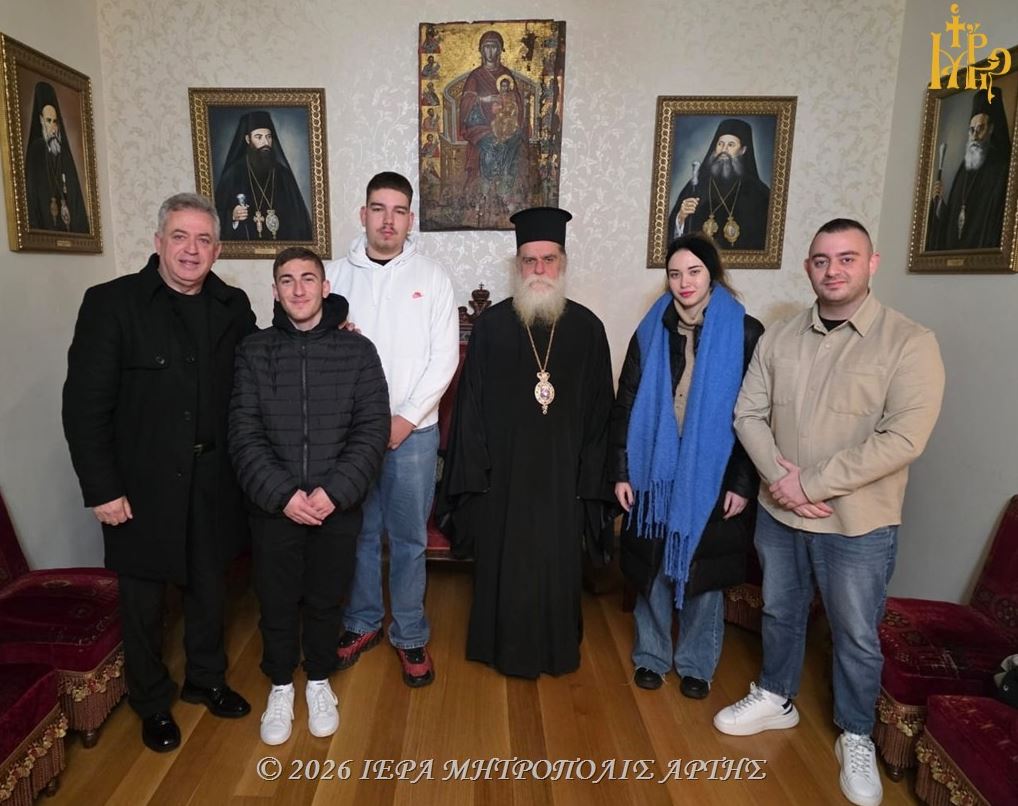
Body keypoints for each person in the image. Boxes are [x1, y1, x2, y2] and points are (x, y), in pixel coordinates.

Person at [713, 219, 945, 806]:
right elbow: (748, 414)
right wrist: (782, 482)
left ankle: (856, 733)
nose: (832, 270)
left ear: (872, 263)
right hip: (780, 514)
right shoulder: (779, 337)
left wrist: (809, 482)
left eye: (847, 258)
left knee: (855, 633)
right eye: (821, 260)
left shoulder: (910, 342)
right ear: (808, 267)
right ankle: (775, 695)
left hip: (857, 522)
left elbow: (903, 439)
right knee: (780, 611)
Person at [62, 193, 255, 752]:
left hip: (214, 478)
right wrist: (102, 488)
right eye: (180, 237)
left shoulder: (233, 305)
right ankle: (150, 701)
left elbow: (263, 367)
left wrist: (332, 326)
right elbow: (84, 407)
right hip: (139, 484)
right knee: (144, 600)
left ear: (217, 250)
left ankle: (206, 679)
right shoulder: (111, 303)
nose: (191, 250)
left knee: (209, 587)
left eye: (203, 240)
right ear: (158, 242)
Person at [441, 207, 614, 678]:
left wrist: (588, 482)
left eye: (548, 259)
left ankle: (556, 649)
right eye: (529, 260)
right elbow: (469, 412)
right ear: (518, 266)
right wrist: (478, 478)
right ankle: (499, 646)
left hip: (562, 482)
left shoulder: (588, 329)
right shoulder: (492, 327)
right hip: (504, 481)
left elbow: (601, 415)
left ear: (563, 263)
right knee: (505, 564)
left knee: (558, 565)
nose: (539, 269)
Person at [229, 247, 389, 745]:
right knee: (276, 601)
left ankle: (318, 679)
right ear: (275, 291)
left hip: (334, 505)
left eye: (307, 278)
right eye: (287, 280)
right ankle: (281, 684)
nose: (298, 289)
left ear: (325, 286)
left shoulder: (358, 351)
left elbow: (371, 429)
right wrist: (282, 495)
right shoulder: (253, 351)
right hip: (274, 507)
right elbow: (243, 432)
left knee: (324, 599)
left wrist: (334, 491)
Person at [610, 234, 763, 698]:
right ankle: (651, 655)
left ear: (712, 273)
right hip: (654, 469)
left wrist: (742, 482)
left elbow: (754, 415)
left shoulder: (745, 332)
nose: (684, 283)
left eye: (694, 272)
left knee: (703, 571)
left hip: (714, 473)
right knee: (654, 564)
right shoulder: (650, 329)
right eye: (675, 274)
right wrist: (622, 470)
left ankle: (697, 664)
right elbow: (626, 402)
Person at [324, 172, 458, 687]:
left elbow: (444, 359)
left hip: (414, 433)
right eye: (378, 209)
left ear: (410, 219)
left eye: (399, 211)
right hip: (350, 435)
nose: (388, 220)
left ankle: (409, 632)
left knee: (407, 539)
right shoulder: (333, 276)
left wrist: (404, 421)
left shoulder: (433, 277)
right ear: (363, 215)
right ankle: (362, 622)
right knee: (358, 534)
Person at [926, 91, 1011, 250]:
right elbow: (952, 218)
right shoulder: (965, 168)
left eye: (980, 128)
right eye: (971, 130)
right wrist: (939, 205)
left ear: (991, 129)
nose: (975, 136)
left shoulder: (1001, 170)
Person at [458, 30, 530, 217]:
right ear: (481, 50)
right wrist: (485, 99)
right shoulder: (476, 76)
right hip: (480, 126)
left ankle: (506, 193)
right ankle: (483, 194)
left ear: (500, 50)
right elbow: (466, 102)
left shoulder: (506, 74)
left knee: (513, 144)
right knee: (491, 146)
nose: (490, 51)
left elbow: (516, 100)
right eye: (486, 47)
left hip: (506, 125)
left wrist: (509, 106)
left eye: (494, 47)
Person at [667, 118, 771, 249]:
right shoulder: (697, 185)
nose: (724, 150)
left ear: (743, 150)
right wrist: (681, 216)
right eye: (720, 144)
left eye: (731, 145)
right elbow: (672, 239)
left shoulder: (759, 193)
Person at [214, 110, 312, 241]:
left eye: (268, 137)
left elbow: (299, 221)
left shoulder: (283, 175)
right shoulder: (233, 174)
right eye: (259, 137)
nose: (265, 142)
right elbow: (214, 217)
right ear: (248, 139)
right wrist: (232, 216)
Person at [23, 80, 89, 232]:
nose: (53, 127)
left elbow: (76, 199)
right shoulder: (35, 152)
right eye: (48, 121)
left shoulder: (63, 154)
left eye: (55, 121)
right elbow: (32, 198)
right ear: (41, 120)